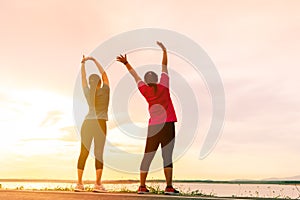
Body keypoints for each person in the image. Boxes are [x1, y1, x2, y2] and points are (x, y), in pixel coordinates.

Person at [116, 41, 179, 195]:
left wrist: (126, 63)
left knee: (148, 155)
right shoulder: (164, 85)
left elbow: (135, 76)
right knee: (167, 156)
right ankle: (169, 187)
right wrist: (164, 50)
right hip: (168, 124)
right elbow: (164, 65)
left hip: (153, 127)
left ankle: (142, 186)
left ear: (146, 80)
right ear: (157, 79)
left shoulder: (144, 90)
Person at [75, 55, 109, 193]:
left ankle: (79, 184)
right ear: (100, 83)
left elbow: (83, 79)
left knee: (83, 152)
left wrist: (83, 64)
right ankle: (98, 184)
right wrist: (94, 61)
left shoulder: (87, 91)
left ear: (90, 83)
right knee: (99, 153)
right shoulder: (105, 90)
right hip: (100, 123)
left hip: (87, 123)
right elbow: (105, 75)